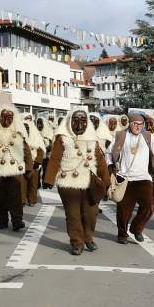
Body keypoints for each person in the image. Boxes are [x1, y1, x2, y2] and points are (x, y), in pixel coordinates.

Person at [43, 109, 110, 255]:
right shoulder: (63, 138)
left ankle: (88, 237)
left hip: (89, 182)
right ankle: (77, 242)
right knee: (73, 215)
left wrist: (106, 181)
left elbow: (100, 160)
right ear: (69, 122)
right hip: (68, 182)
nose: (79, 124)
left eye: (83, 120)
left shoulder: (93, 138)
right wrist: (49, 178)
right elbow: (54, 158)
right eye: (76, 120)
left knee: (91, 213)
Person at [108, 111, 154, 243]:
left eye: (141, 124)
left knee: (148, 207)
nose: (138, 127)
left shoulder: (148, 136)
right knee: (123, 211)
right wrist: (109, 165)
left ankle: (136, 229)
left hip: (144, 178)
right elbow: (108, 152)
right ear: (130, 124)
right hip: (125, 178)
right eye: (135, 124)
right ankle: (122, 234)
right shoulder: (121, 135)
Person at [0, 105, 32, 232]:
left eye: (10, 117)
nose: (6, 121)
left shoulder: (18, 131)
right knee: (1, 197)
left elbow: (26, 150)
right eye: (4, 117)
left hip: (15, 170)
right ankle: (2, 221)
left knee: (16, 198)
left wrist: (29, 167)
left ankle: (17, 221)